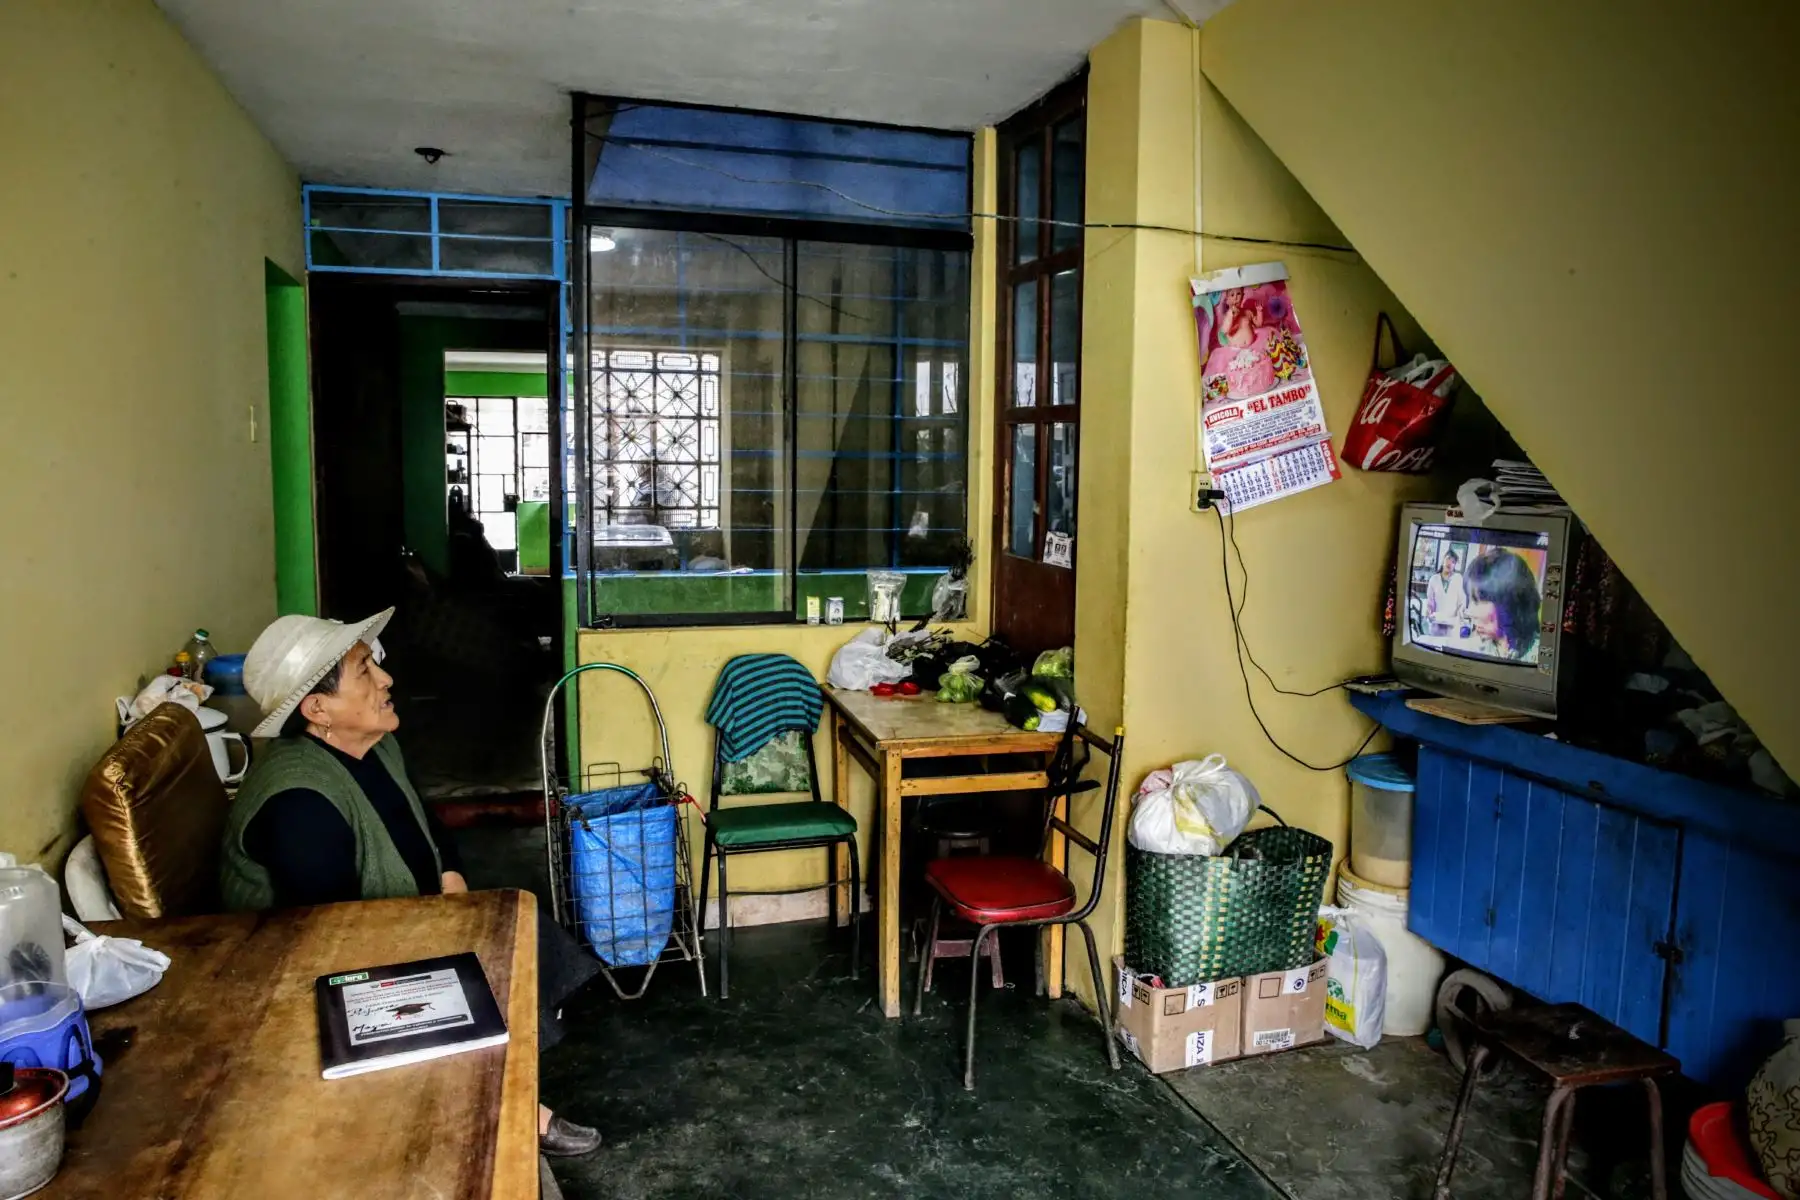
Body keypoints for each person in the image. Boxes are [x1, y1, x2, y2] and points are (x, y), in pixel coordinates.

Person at [220, 609, 602, 1159]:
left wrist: (450, 881)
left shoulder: (372, 745)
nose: (386, 679)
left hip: (403, 918)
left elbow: (421, 819)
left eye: (375, 664)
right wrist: (446, 944)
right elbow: (336, 943)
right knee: (480, 967)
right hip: (309, 969)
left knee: (515, 922)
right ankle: (509, 1108)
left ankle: (505, 1074)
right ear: (318, 709)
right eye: (364, 672)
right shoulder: (299, 803)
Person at [1463, 549, 1543, 660]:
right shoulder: (1475, 647)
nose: (1469, 612)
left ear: (1510, 602)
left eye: (1478, 601)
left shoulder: (1541, 655)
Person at [1425, 549, 1467, 635]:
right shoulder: (1434, 579)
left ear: (1454, 565)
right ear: (1443, 560)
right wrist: (1428, 610)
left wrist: (1459, 616)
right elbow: (1430, 601)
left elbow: (1462, 602)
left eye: (1453, 562)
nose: (1450, 563)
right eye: (1448, 559)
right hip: (1436, 624)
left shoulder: (1458, 578)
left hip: (1452, 626)